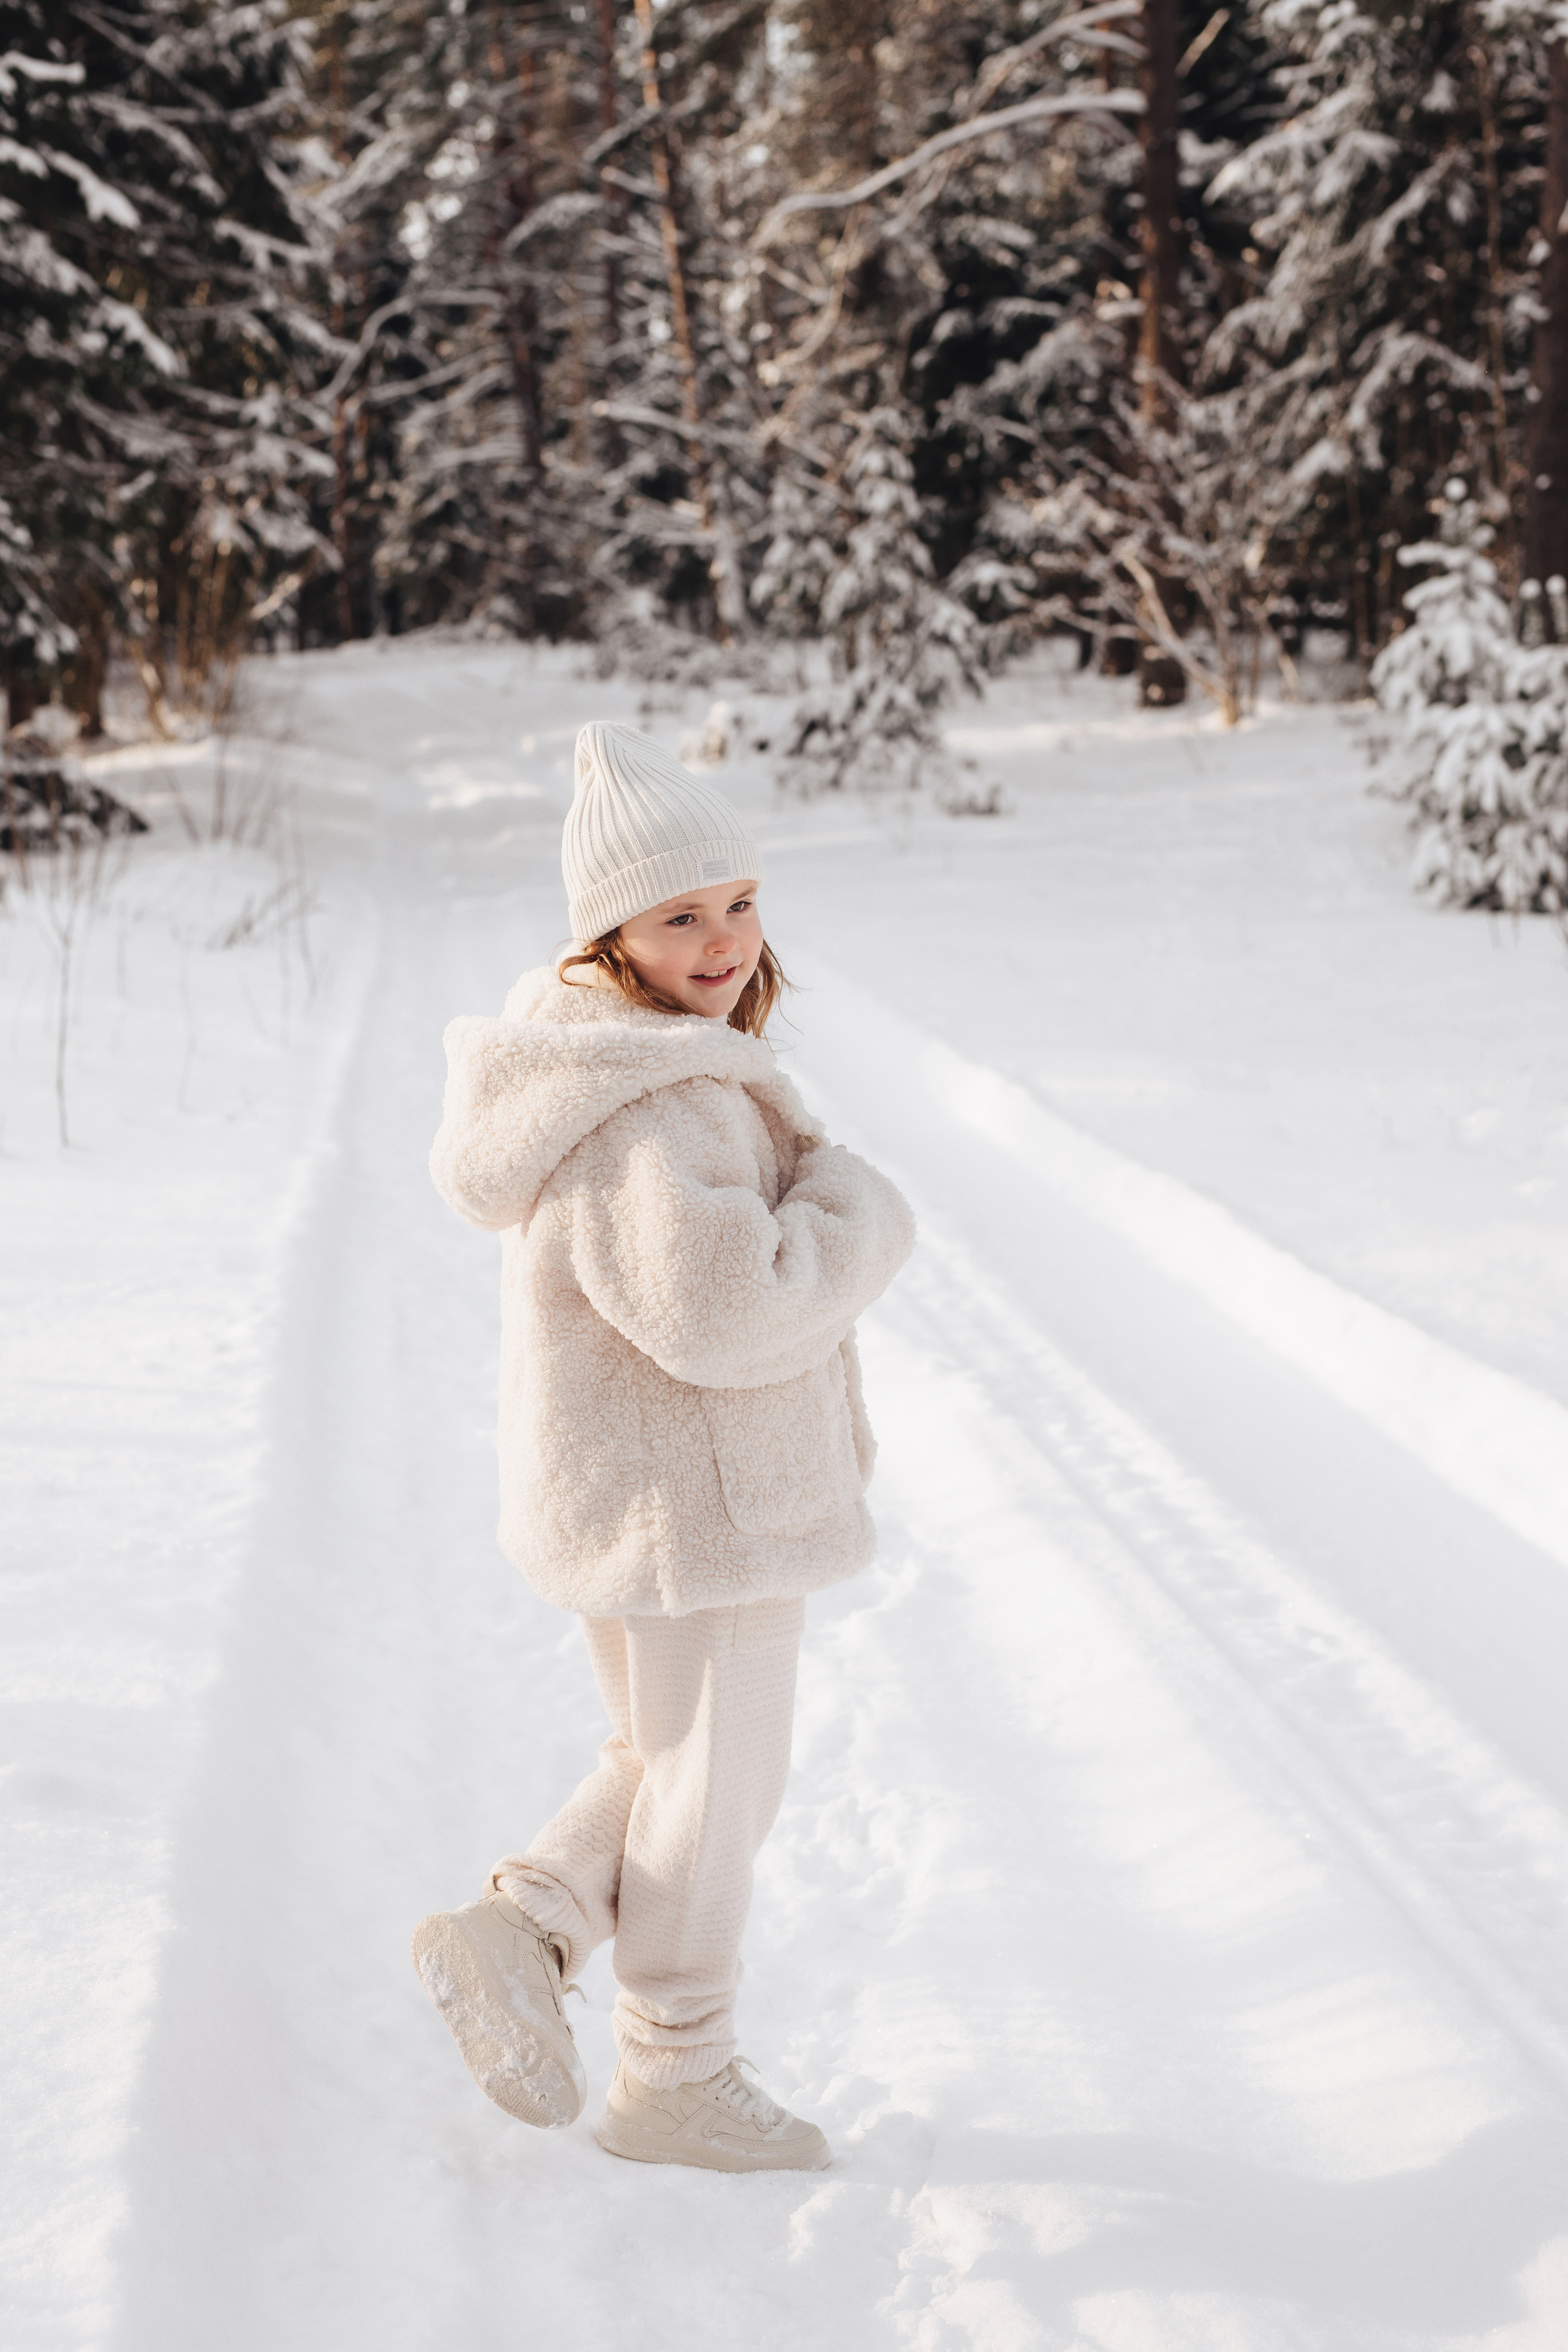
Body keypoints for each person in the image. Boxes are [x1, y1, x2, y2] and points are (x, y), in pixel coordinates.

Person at [412, 722, 915, 2172]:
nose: (723, 941)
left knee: (664, 1758)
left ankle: (525, 1927)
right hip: (706, 1505)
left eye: (738, 902)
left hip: (651, 1489)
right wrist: (853, 1211)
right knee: (716, 1789)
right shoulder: (652, 1101)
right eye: (679, 916)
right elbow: (724, 1311)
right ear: (609, 937)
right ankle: (676, 2075)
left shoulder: (606, 1063)